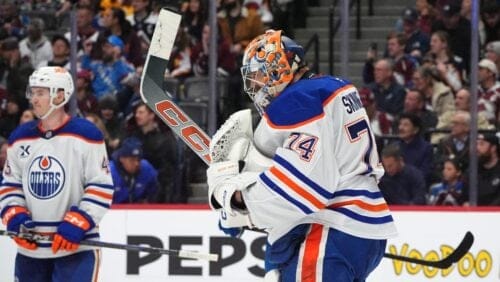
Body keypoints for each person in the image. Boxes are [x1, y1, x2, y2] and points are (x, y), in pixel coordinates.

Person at [206, 30, 397, 281]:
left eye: (260, 76)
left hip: (334, 226)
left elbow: (304, 187)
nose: (257, 87)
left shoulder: (299, 100)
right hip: (360, 228)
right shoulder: (333, 87)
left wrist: (238, 200)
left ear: (279, 69)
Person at [0, 66, 114, 282]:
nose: (34, 99)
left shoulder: (87, 135)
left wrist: (78, 222)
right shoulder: (19, 137)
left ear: (60, 95)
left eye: (40, 93)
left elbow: (101, 186)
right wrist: (15, 217)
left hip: (75, 248)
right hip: (31, 252)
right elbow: (10, 186)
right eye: (32, 92)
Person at [110, 137, 159, 204]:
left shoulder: (147, 169)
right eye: (132, 160)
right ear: (122, 159)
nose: (136, 163)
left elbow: (154, 193)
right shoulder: (108, 173)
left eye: (138, 159)